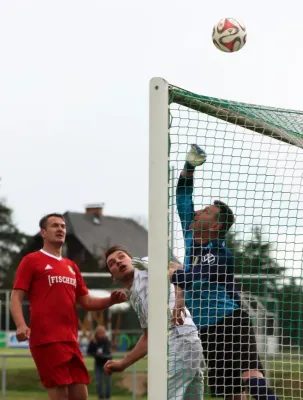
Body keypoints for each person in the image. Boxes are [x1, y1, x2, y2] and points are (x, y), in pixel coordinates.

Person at [169, 144, 280, 400]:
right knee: (230, 393)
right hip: (205, 329)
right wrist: (189, 167)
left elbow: (186, 277)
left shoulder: (220, 255)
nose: (197, 211)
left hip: (231, 321)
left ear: (216, 225)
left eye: (206, 212)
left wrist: (169, 270)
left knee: (250, 378)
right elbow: (183, 196)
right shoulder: (190, 233)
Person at [10, 213, 127, 400]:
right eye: (55, 226)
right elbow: (16, 297)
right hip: (46, 338)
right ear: (43, 232)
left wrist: (110, 300)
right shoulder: (32, 260)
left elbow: (87, 301)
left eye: (63, 226)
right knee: (60, 392)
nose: (60, 229)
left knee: (80, 393)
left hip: (71, 340)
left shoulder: (71, 265)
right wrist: (21, 325)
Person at [103, 245, 205, 400]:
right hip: (180, 345)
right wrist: (123, 363)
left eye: (121, 256)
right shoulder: (135, 297)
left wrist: (179, 300)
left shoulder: (144, 264)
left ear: (131, 259)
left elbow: (178, 269)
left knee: (162, 394)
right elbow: (148, 337)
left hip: (180, 337)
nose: (118, 262)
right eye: (112, 263)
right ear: (113, 277)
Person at [87, 325, 112, 400]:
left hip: (107, 364)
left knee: (108, 382)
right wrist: (96, 353)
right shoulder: (93, 341)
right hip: (98, 364)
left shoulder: (106, 341)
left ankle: (108, 397)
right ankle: (101, 397)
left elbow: (107, 352)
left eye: (102, 332)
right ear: (96, 333)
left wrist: (101, 355)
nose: (101, 334)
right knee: (98, 382)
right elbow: (89, 352)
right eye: (99, 333)